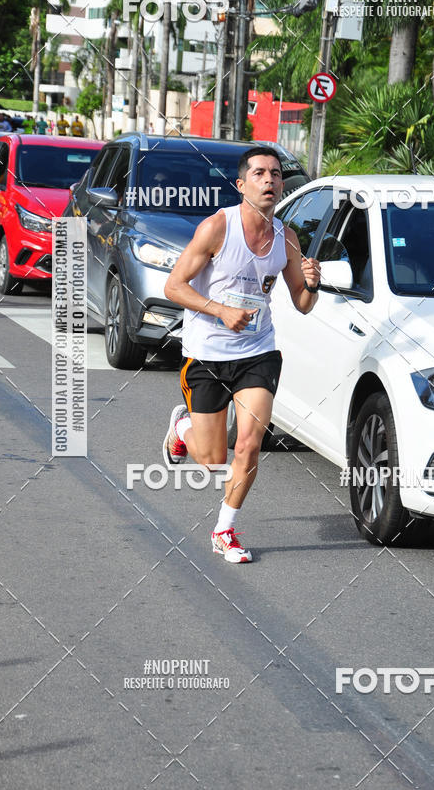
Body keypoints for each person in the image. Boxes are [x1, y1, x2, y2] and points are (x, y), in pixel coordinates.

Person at [161, 147, 320, 564]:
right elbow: (174, 287)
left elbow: (301, 304)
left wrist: (312, 283)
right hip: (207, 353)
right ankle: (182, 430)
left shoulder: (286, 237)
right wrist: (219, 310)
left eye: (276, 174)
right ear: (241, 184)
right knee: (214, 460)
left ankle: (223, 530)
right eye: (260, 173)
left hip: (257, 351)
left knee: (249, 445)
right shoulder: (217, 228)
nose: (270, 180)